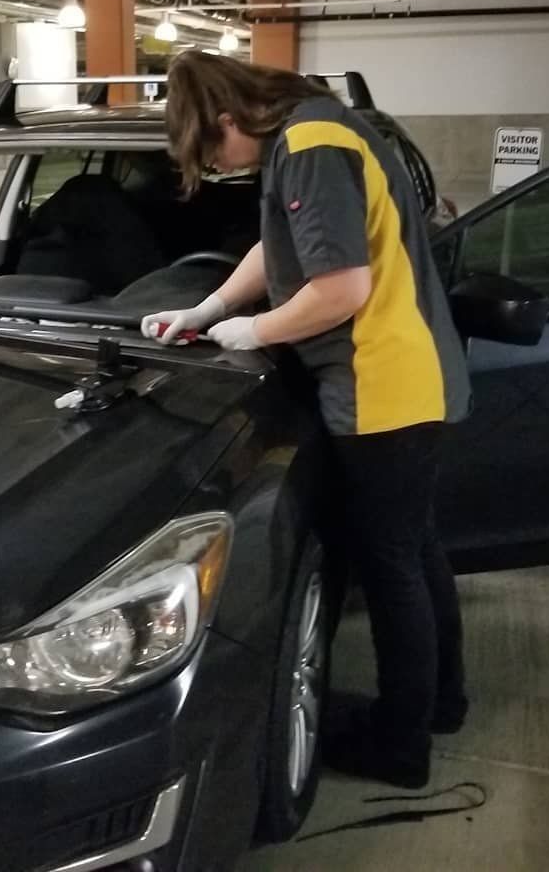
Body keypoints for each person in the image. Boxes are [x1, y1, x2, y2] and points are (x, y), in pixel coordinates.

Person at [142, 51, 471, 790]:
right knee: (415, 551)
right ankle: (441, 705)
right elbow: (280, 246)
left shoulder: (312, 144)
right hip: (409, 379)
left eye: (213, 153)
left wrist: (255, 331)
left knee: (390, 567)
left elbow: (342, 288)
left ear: (228, 118)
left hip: (384, 387)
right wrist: (208, 308)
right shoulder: (314, 131)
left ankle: (400, 746)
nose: (219, 168)